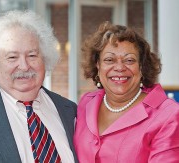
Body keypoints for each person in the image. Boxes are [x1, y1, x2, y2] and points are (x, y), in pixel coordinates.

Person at [0, 10, 78, 163]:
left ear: (45, 59)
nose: (24, 66)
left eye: (32, 55)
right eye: (12, 57)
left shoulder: (69, 110)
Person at [73, 21, 179, 162]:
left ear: (142, 66)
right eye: (109, 59)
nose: (119, 67)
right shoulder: (86, 103)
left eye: (129, 60)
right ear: (98, 65)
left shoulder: (168, 114)